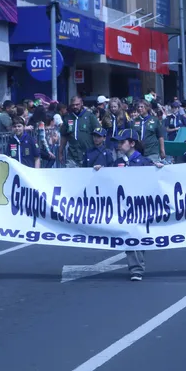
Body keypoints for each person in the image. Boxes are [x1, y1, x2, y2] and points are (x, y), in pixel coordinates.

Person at [96, 129, 164, 281]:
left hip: (140, 206)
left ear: (132, 143)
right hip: (122, 206)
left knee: (136, 234)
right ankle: (136, 267)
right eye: (118, 142)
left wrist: (160, 169)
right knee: (128, 235)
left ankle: (137, 268)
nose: (119, 145)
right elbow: (108, 177)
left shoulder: (145, 162)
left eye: (122, 142)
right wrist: (100, 171)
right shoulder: (117, 162)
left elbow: (157, 180)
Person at [59, 96, 100, 168]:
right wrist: (60, 152)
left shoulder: (90, 116)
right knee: (71, 178)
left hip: (88, 155)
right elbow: (64, 136)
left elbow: (99, 133)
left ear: (82, 104)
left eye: (77, 104)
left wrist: (99, 151)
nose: (75, 107)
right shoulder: (68, 118)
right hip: (72, 156)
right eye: (73, 105)